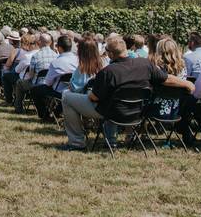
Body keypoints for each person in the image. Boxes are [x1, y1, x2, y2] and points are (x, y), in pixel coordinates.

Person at [63, 35, 194, 150]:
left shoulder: (108, 72)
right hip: (137, 112)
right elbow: (166, 78)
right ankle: (110, 139)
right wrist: (187, 83)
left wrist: (88, 93)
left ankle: (77, 142)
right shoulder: (145, 64)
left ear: (110, 54)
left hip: (111, 112)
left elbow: (94, 97)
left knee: (66, 97)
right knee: (110, 99)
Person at [31, 35, 78, 120]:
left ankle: (45, 116)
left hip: (59, 92)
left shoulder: (56, 62)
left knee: (36, 90)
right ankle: (57, 112)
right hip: (75, 91)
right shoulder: (78, 60)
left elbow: (48, 83)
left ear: (59, 48)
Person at [145, 37, 186, 123]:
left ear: (159, 50)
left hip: (154, 110)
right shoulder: (182, 66)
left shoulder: (156, 68)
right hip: (175, 110)